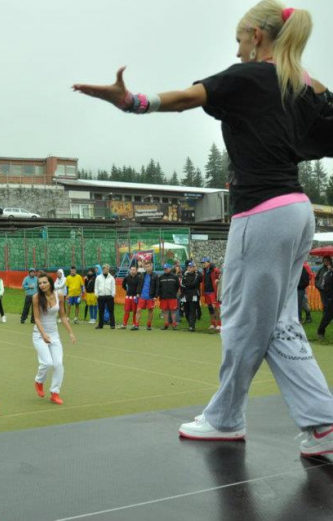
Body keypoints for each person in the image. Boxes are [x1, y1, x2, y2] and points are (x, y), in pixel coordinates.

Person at [73, 0, 333, 452]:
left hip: (263, 214)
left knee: (239, 321)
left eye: (238, 39)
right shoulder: (304, 87)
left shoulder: (250, 77)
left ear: (256, 36)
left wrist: (130, 102)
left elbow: (185, 99)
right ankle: (323, 423)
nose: (236, 50)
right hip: (298, 212)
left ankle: (225, 418)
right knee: (280, 325)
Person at [32, 272, 76, 405]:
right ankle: (39, 381)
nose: (42, 285)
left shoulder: (59, 295)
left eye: (44, 282)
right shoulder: (36, 298)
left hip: (54, 335)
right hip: (39, 335)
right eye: (40, 283)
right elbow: (37, 318)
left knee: (58, 364)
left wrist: (70, 332)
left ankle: (55, 392)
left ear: (50, 282)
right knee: (47, 363)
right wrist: (44, 334)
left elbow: (62, 316)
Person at [137, 260, 159, 331]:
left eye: (148, 266)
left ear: (151, 266)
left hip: (150, 297)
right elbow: (139, 285)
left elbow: (157, 287)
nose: (147, 268)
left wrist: (155, 296)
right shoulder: (142, 275)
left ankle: (149, 325)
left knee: (150, 311)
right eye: (146, 267)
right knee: (138, 310)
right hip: (142, 296)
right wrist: (138, 293)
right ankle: (136, 325)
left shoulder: (155, 276)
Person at [158, 264, 181, 330]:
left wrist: (175, 293)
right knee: (165, 311)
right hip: (163, 297)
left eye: (167, 268)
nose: (165, 270)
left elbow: (177, 286)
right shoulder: (161, 277)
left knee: (173, 311)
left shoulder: (174, 277)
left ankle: (174, 325)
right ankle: (166, 325)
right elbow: (159, 287)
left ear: (170, 268)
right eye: (164, 269)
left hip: (172, 297)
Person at [201, 257, 222, 331]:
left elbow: (221, 276)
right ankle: (212, 324)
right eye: (202, 263)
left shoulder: (215, 269)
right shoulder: (204, 271)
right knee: (210, 308)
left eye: (204, 263)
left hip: (213, 292)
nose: (203, 264)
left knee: (215, 308)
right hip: (207, 292)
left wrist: (218, 279)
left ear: (208, 262)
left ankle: (219, 324)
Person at [180, 262, 201, 332]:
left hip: (194, 294)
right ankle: (190, 324)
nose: (189, 268)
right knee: (186, 310)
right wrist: (188, 285)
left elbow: (194, 284)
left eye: (190, 267)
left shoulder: (196, 275)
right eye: (188, 267)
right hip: (185, 295)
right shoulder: (184, 275)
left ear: (193, 268)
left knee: (192, 310)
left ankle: (192, 326)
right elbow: (182, 285)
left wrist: (187, 285)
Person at [94, 264, 116, 329]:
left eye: (107, 268)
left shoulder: (111, 278)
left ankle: (112, 325)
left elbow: (113, 287)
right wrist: (96, 294)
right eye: (105, 268)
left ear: (108, 269)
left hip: (109, 296)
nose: (106, 269)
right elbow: (96, 287)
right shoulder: (98, 277)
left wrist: (113, 294)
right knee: (101, 311)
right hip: (101, 296)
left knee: (111, 311)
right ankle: (100, 325)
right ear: (103, 269)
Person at [120, 265, 141, 329]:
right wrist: (127, 290)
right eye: (131, 269)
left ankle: (134, 324)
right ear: (130, 270)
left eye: (134, 270)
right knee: (126, 311)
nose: (132, 271)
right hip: (128, 297)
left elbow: (140, 287)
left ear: (136, 270)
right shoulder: (126, 278)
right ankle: (124, 324)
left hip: (135, 297)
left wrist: (138, 293)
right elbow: (123, 285)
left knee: (135, 311)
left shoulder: (139, 278)